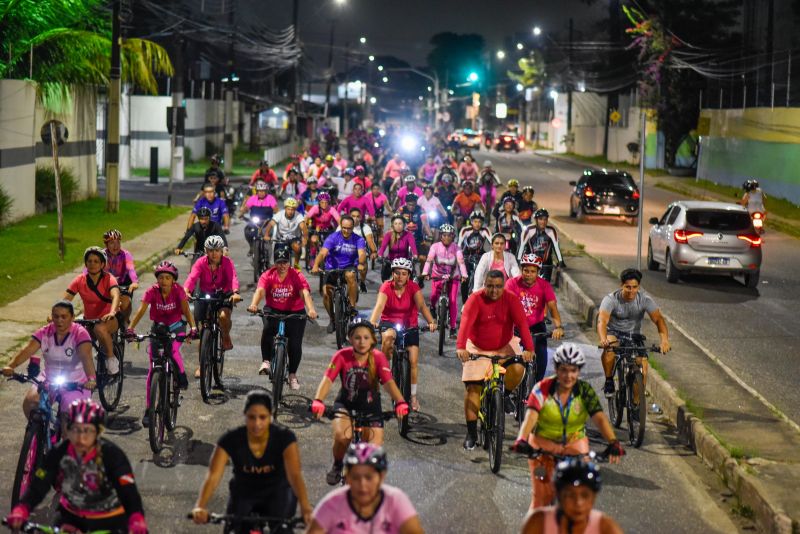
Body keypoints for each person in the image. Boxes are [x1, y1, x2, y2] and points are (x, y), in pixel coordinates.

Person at [5, 399, 148, 534]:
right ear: (68, 429)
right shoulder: (58, 453)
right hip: (70, 517)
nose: (81, 438)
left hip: (108, 519)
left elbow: (128, 491)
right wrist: (22, 509)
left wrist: (136, 518)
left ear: (98, 432)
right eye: (76, 430)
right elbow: (39, 485)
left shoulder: (113, 455)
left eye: (87, 431)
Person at [512, 344, 625, 509]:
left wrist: (613, 442)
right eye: (563, 370)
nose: (568, 375)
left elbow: (599, 418)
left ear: (578, 371)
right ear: (556, 369)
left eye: (573, 370)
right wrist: (521, 439)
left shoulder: (584, 390)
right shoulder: (542, 388)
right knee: (540, 500)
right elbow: (531, 416)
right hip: (543, 445)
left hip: (574, 444)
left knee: (580, 500)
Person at [191, 391, 313, 533]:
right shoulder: (230, 439)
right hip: (244, 493)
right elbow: (213, 476)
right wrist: (200, 506)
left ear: (271, 416)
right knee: (232, 529)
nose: (257, 424)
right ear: (245, 416)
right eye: (251, 417)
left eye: (262, 417)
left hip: (277, 492)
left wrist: (305, 507)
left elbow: (295, 475)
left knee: (282, 529)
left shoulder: (285, 438)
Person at [310, 320, 410, 485]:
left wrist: (400, 402)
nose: (361, 341)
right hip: (345, 405)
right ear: (350, 338)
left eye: (365, 337)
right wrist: (318, 400)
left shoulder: (378, 358)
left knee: (373, 452)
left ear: (372, 340)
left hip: (371, 407)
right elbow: (328, 379)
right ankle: (337, 464)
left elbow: (389, 383)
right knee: (343, 437)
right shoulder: (341, 355)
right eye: (357, 337)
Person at [457, 271, 534, 450]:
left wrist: (530, 349)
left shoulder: (511, 299)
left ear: (503, 286)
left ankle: (504, 394)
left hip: (504, 345)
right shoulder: (475, 299)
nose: (494, 290)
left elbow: (522, 325)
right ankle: (472, 433)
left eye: (498, 286)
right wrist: (461, 347)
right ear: (484, 284)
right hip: (476, 347)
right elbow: (465, 324)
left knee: (518, 368)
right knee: (473, 389)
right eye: (490, 286)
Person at [127, 261, 197, 425]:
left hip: (176, 327)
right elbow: (141, 310)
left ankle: (181, 376)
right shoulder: (152, 291)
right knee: (153, 368)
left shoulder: (178, 291)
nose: (164, 281)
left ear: (173, 280)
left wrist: (193, 328)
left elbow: (186, 311)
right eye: (161, 278)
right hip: (158, 329)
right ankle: (149, 408)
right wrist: (130, 328)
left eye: (167, 277)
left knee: (172, 351)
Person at [2, 300, 96, 421]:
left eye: (64, 317)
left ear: (72, 317)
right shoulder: (44, 332)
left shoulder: (80, 333)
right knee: (31, 404)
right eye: (55, 316)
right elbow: (27, 350)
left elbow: (86, 357)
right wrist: (11, 366)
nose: (59, 320)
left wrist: (91, 379)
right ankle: (39, 432)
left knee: (69, 418)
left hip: (76, 382)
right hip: (48, 378)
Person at [306, 443, 424, 534]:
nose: (362, 485)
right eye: (356, 477)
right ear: (348, 478)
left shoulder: (396, 501)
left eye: (369, 477)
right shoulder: (332, 504)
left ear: (381, 477)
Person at [369, 258, 436, 411]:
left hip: (409, 324)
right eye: (397, 273)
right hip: (389, 322)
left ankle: (412, 397)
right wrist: (372, 322)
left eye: (404, 274)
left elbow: (421, 306)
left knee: (413, 360)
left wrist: (431, 321)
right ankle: (384, 368)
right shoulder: (386, 286)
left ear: (409, 275)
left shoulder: (413, 287)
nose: (400, 277)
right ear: (392, 274)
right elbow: (379, 305)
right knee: (388, 337)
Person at [248, 247, 319, 386]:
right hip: (273, 310)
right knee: (268, 330)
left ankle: (292, 374)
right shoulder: (268, 275)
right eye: (279, 262)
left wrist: (311, 309)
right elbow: (260, 291)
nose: (282, 266)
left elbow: (304, 293)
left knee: (295, 344)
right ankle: (266, 361)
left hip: (295, 311)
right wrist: (254, 304)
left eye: (285, 262)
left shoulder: (297, 275)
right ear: (274, 263)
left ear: (290, 262)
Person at [598, 268, 670, 398]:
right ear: (621, 285)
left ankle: (637, 405)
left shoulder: (645, 300)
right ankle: (609, 381)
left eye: (635, 287)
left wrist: (664, 341)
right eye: (628, 287)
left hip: (634, 335)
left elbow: (659, 320)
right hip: (614, 332)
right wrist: (603, 339)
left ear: (639, 286)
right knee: (609, 350)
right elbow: (602, 321)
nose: (631, 291)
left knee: (643, 366)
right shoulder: (610, 299)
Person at [519, 457, 623, 534]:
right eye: (570, 495)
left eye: (585, 495)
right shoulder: (538, 523)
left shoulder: (606, 528)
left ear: (594, 497)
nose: (578, 503)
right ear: (559, 495)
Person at [505, 254, 564, 383]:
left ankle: (535, 389)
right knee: (510, 361)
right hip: (515, 327)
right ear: (521, 270)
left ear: (538, 272)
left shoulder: (545, 286)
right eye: (526, 270)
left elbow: (552, 307)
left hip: (536, 327)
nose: (529, 274)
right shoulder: (512, 283)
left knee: (542, 360)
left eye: (533, 271)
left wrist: (558, 327)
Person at [63, 247, 121, 374]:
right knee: (76, 340)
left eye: (96, 261)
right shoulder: (79, 280)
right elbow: (66, 300)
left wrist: (112, 312)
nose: (92, 264)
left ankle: (111, 358)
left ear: (102, 264)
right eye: (89, 261)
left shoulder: (109, 278)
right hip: (89, 320)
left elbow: (115, 295)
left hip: (109, 319)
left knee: (99, 329)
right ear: (85, 263)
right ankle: (87, 373)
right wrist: (57, 314)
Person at [183, 235, 242, 356]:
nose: (214, 254)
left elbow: (233, 278)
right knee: (202, 328)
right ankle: (202, 365)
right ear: (206, 251)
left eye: (217, 250)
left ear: (221, 251)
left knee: (224, 316)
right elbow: (192, 277)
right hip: (205, 293)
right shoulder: (200, 262)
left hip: (223, 294)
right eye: (210, 250)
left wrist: (235, 292)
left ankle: (225, 336)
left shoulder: (227, 262)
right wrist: (186, 290)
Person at [311, 216, 367, 334]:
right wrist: (316, 265)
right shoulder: (332, 238)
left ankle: (352, 307)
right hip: (332, 268)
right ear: (341, 227)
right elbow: (323, 253)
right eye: (344, 228)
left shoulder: (359, 239)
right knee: (326, 293)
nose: (346, 231)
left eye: (349, 228)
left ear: (353, 228)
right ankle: (332, 319)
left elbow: (361, 254)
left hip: (348, 266)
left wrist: (361, 263)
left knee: (351, 276)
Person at [422, 225, 467, 338]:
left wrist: (464, 275)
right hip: (437, 276)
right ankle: (432, 307)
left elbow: (461, 262)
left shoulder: (457, 248)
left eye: (450, 235)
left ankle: (452, 328)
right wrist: (425, 272)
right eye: (444, 235)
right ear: (441, 236)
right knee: (433, 296)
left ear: (453, 237)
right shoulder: (435, 246)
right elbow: (429, 260)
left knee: (452, 301)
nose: (447, 238)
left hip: (453, 277)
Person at [98, 229, 139, 323]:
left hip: (123, 283)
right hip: (107, 284)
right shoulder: (101, 255)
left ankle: (126, 322)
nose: (115, 246)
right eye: (112, 243)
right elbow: (89, 269)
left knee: (125, 303)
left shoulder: (126, 254)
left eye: (118, 242)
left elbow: (131, 268)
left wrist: (134, 282)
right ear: (106, 244)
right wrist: (84, 278)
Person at [518, 209, 564, 283]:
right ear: (536, 220)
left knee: (545, 286)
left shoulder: (551, 230)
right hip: (532, 263)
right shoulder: (529, 229)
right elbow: (522, 246)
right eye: (540, 219)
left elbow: (556, 247)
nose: (543, 222)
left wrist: (560, 261)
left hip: (546, 264)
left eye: (545, 219)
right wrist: (519, 260)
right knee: (529, 285)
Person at [264, 198, 308, 269]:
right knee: (275, 250)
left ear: (295, 210)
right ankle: (273, 265)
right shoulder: (280, 214)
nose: (290, 211)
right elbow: (270, 224)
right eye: (288, 209)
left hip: (293, 238)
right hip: (280, 238)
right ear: (285, 209)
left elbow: (303, 227)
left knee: (297, 248)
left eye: (292, 209)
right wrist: (266, 234)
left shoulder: (298, 215)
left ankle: (296, 265)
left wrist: (305, 238)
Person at [344, 207, 378, 293]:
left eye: (357, 216)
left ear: (361, 217)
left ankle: (362, 281)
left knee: (363, 268)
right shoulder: (343, 225)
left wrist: (374, 251)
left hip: (360, 252)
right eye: (353, 216)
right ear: (349, 216)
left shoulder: (365, 227)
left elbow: (370, 240)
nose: (355, 218)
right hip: (345, 251)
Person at [377, 215, 418, 282]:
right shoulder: (388, 235)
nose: (398, 226)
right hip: (391, 261)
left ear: (404, 225)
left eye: (400, 223)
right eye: (396, 224)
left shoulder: (409, 235)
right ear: (393, 225)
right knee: (385, 281)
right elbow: (383, 247)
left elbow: (413, 247)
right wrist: (380, 256)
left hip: (405, 262)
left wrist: (415, 255)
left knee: (411, 281)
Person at [398, 193, 430, 275]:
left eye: (413, 204)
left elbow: (425, 223)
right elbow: (395, 223)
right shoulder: (401, 210)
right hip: (404, 238)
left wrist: (430, 235)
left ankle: (421, 276)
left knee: (423, 258)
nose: (411, 207)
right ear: (406, 203)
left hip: (418, 238)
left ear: (416, 203)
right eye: (409, 205)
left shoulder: (421, 210)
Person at [239, 180, 278, 247]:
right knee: (247, 231)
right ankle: (251, 246)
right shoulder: (252, 198)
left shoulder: (270, 198)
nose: (261, 193)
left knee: (273, 233)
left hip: (267, 221)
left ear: (266, 191)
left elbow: (276, 209)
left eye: (263, 191)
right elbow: (246, 208)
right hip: (254, 221)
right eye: (259, 191)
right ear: (257, 191)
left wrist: (275, 212)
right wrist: (242, 213)